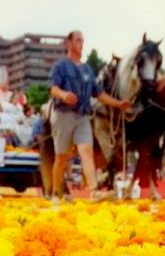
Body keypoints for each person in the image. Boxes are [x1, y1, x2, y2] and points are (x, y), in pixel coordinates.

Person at [48, 30, 131, 201]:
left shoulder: (87, 70)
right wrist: (64, 95)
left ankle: (93, 191)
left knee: (87, 151)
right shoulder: (60, 66)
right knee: (61, 157)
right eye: (78, 40)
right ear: (69, 43)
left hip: (83, 116)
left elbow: (99, 93)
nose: (81, 44)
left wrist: (118, 104)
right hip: (63, 114)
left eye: (82, 40)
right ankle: (56, 192)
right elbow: (53, 88)